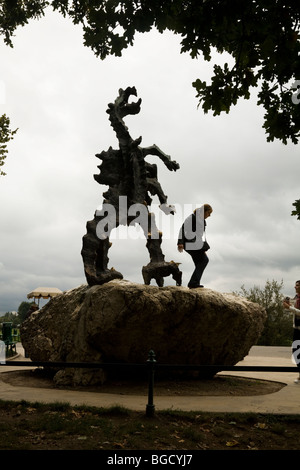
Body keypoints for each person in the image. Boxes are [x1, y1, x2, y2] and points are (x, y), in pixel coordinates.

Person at [177, 204, 213, 288]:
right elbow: (182, 229)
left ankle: (195, 283)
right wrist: (180, 242)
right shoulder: (192, 217)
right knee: (204, 260)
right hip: (188, 243)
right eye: (209, 213)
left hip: (196, 244)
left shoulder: (203, 221)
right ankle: (193, 283)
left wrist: (203, 249)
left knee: (199, 262)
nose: (209, 215)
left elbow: (201, 235)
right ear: (204, 211)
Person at [283, 280, 300, 383]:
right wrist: (288, 306)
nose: (295, 287)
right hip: (296, 329)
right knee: (296, 352)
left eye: (297, 285)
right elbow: (295, 311)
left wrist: (289, 307)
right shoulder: (296, 298)